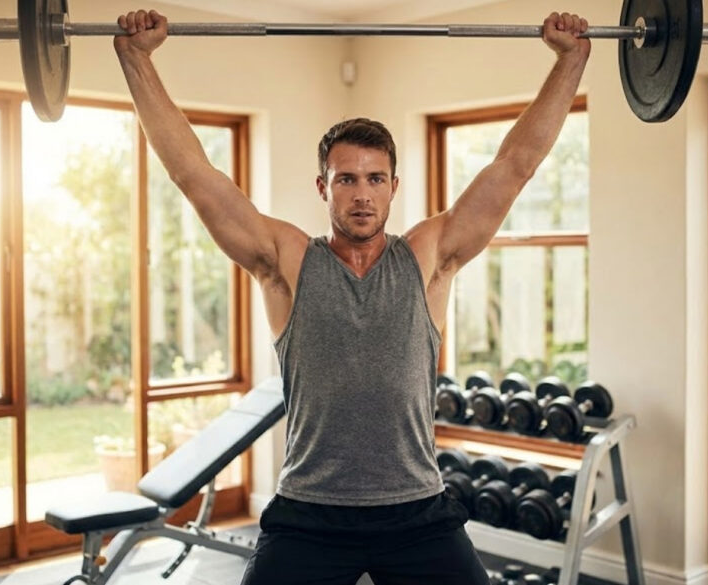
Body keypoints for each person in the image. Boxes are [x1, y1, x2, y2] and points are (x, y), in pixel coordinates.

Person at [114, 9, 589, 585]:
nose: (361, 195)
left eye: (374, 179)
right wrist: (135, 60)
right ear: (323, 187)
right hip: (309, 515)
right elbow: (194, 174)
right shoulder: (286, 260)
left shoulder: (428, 257)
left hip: (419, 512)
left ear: (394, 186)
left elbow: (514, 167)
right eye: (346, 179)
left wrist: (571, 60)